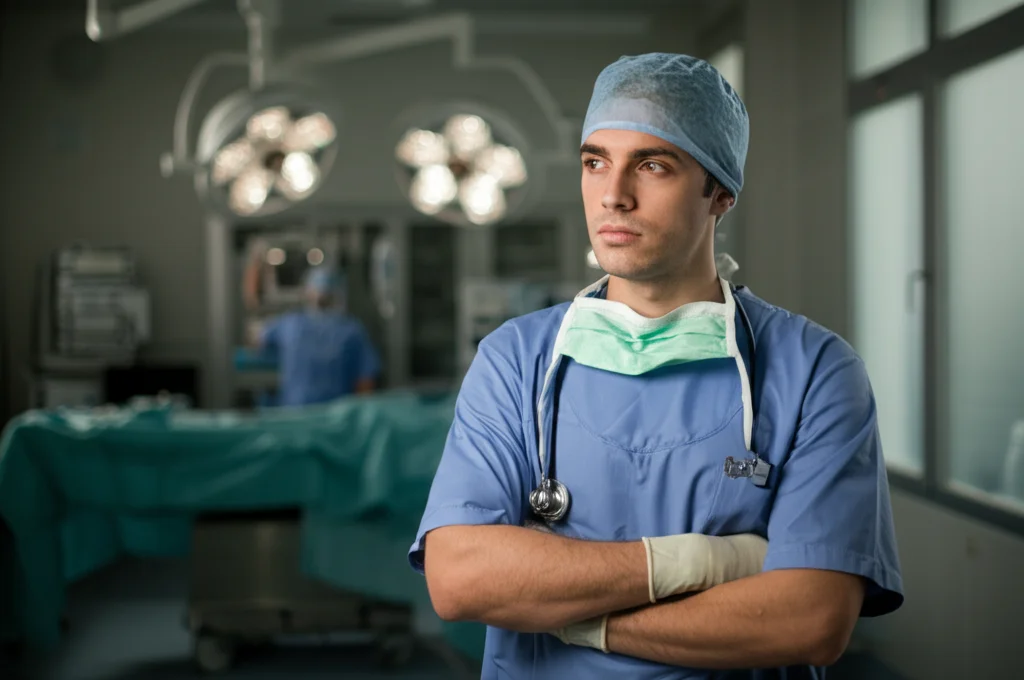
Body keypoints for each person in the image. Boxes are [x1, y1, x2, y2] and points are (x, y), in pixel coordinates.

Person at [408, 53, 904, 679]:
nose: (613, 195)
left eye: (652, 165)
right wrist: (706, 563)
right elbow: (459, 580)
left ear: (719, 192)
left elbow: (810, 619)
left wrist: (575, 617)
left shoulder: (815, 371)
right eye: (595, 162)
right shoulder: (517, 360)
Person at [259, 266, 380, 406]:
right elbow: (365, 385)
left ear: (308, 293)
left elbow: (259, 340)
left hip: (294, 415)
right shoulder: (352, 330)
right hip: (335, 420)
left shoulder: (291, 323)